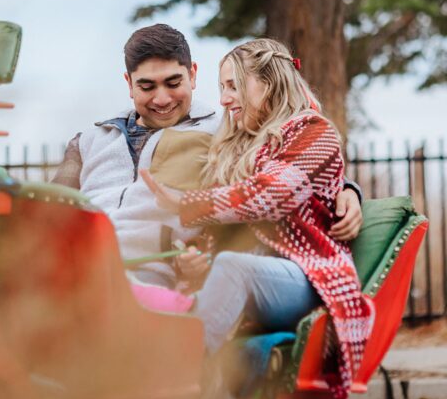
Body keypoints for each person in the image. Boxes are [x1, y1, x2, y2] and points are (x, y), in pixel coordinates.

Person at [52, 23, 362, 290]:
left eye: (173, 83)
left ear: (193, 75)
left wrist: (347, 190)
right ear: (129, 84)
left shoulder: (228, 130)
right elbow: (51, 207)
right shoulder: (88, 140)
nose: (162, 99)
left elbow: (292, 167)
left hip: (153, 272)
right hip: (79, 266)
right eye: (147, 86)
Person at [142, 38, 370, 399]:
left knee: (235, 268)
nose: (223, 99)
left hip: (303, 276)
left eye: (233, 86)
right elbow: (221, 226)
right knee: (167, 293)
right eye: (221, 88)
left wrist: (188, 201)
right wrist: (196, 256)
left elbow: (270, 196)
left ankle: (174, 386)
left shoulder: (313, 132)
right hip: (251, 276)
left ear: (268, 82)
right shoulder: (235, 146)